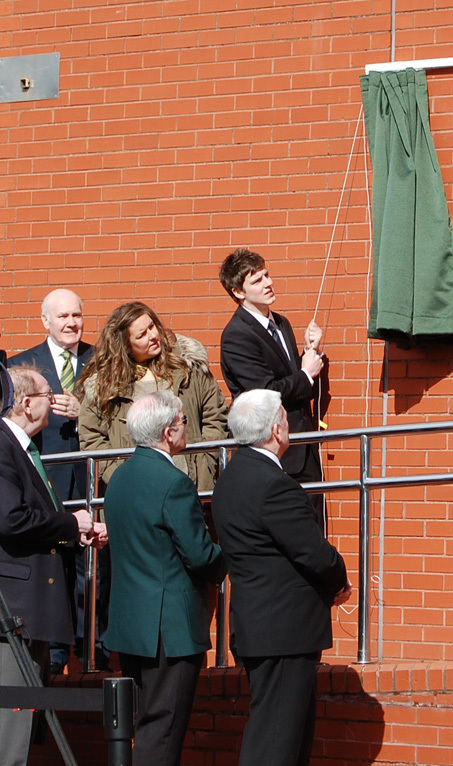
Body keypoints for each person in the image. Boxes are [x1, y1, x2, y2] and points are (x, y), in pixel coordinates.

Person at [212, 389, 352, 766]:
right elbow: (313, 551)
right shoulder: (273, 484)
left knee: (284, 738)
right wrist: (340, 582)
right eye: (286, 419)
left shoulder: (231, 476)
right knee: (276, 741)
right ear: (277, 429)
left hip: (262, 626)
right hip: (284, 630)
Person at [102, 391, 225, 766]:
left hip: (130, 625)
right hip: (169, 631)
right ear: (169, 432)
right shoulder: (174, 482)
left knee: (145, 725)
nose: (186, 427)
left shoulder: (119, 478)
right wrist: (229, 558)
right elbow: (200, 554)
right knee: (164, 730)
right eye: (184, 421)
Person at [0, 365, 105, 766]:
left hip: (31, 613)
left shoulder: (25, 448)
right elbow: (11, 520)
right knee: (10, 731)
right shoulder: (3, 445)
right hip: (15, 614)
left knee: (24, 728)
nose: (55, 401)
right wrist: (69, 523)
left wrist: (73, 532)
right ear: (27, 404)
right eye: (47, 394)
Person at [9, 289, 109, 673]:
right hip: (45, 481)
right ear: (45, 321)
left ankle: (91, 653)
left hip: (89, 480)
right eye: (63, 317)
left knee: (92, 570)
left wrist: (85, 412)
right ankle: (52, 656)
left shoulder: (101, 362)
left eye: (77, 315)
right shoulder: (24, 365)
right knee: (52, 567)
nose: (72, 323)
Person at [218, 248, 326, 527]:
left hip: (303, 447)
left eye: (267, 275)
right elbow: (264, 391)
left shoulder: (281, 323)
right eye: (257, 281)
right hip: (272, 450)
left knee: (311, 526)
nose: (268, 283)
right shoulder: (237, 335)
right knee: (288, 530)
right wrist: (305, 375)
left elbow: (294, 379)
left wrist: (309, 353)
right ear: (238, 292)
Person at [77, 302, 229, 493]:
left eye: (152, 326)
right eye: (141, 335)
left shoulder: (187, 366)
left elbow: (215, 414)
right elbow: (92, 439)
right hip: (136, 492)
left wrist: (205, 460)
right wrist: (122, 476)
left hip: (192, 483)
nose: (153, 336)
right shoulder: (104, 385)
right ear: (125, 345)